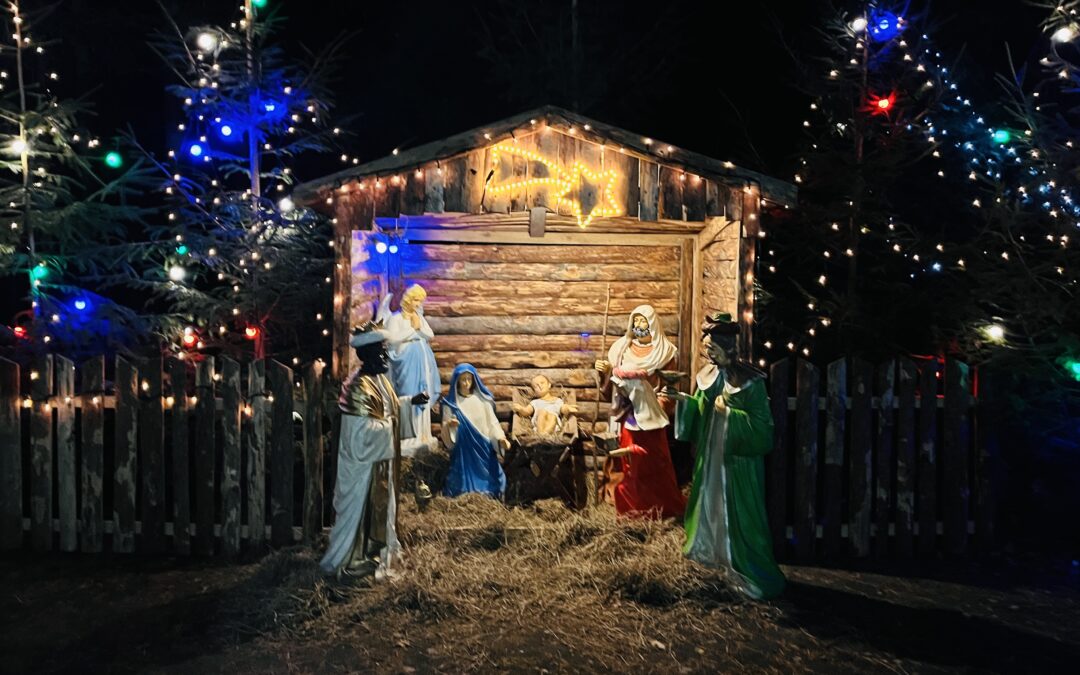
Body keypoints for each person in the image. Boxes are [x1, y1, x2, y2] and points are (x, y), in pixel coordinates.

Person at [669, 312, 785, 600]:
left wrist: (728, 414)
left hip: (736, 465)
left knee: (739, 513)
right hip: (710, 459)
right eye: (708, 349)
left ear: (727, 347)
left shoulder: (751, 382)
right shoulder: (707, 375)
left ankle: (745, 566)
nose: (709, 354)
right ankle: (709, 552)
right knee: (707, 502)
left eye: (713, 349)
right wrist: (682, 401)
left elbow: (762, 427)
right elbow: (700, 407)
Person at [319, 322, 429, 580]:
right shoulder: (359, 387)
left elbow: (388, 410)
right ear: (366, 354)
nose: (386, 356)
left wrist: (409, 403)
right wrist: (391, 425)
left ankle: (372, 550)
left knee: (377, 509)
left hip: (377, 465)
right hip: (362, 468)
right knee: (360, 512)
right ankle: (353, 557)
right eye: (380, 351)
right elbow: (359, 435)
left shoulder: (378, 380)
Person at [594, 304, 686, 519]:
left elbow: (668, 387)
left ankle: (659, 508)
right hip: (627, 417)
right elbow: (611, 387)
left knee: (654, 463)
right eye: (635, 321)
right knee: (627, 464)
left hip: (651, 419)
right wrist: (604, 373)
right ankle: (631, 507)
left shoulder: (665, 352)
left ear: (652, 323)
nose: (638, 326)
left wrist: (659, 406)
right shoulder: (620, 349)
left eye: (643, 321)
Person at [379, 284, 440, 456]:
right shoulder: (397, 318)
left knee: (423, 395)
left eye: (420, 301)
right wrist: (412, 331)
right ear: (408, 299)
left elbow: (430, 335)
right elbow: (392, 338)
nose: (418, 304)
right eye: (416, 300)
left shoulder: (418, 317)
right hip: (405, 363)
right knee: (408, 395)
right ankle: (407, 436)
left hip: (422, 363)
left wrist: (419, 326)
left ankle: (422, 435)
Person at [442, 364, 509, 499]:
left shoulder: (483, 400)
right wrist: (450, 425)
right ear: (457, 381)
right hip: (463, 452)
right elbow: (446, 431)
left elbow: (492, 423)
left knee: (491, 477)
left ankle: (488, 495)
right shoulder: (451, 405)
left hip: (483, 448)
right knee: (460, 481)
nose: (466, 383)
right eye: (463, 380)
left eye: (469, 379)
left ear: (474, 380)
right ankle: (464, 495)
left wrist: (501, 438)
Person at [511, 374, 579, 436]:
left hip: (554, 428)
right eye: (536, 386)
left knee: (553, 416)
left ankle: (544, 436)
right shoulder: (535, 402)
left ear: (549, 385)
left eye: (542, 383)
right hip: (539, 426)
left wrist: (568, 408)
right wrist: (521, 409)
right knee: (542, 412)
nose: (540, 386)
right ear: (534, 391)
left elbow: (563, 409)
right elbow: (527, 412)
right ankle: (542, 435)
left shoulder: (557, 400)